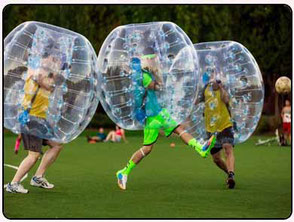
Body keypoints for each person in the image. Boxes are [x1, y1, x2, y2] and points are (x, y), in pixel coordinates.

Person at [116, 51, 216, 190]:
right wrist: (157, 73)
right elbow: (157, 87)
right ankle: (124, 172)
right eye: (152, 60)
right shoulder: (143, 76)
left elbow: (160, 87)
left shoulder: (148, 74)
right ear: (146, 62)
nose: (155, 62)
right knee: (147, 148)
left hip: (160, 113)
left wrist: (157, 73)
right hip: (151, 117)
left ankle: (201, 148)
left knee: (179, 129)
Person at [6, 54, 64, 194]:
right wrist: (53, 71)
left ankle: (38, 177)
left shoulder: (47, 75)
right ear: (44, 59)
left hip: (40, 119)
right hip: (31, 119)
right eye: (53, 59)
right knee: (33, 155)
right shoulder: (34, 71)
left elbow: (50, 87)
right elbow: (41, 81)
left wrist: (54, 73)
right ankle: (13, 184)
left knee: (57, 145)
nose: (55, 62)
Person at [199, 72, 236, 189]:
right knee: (216, 159)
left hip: (225, 124)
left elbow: (226, 99)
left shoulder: (223, 89)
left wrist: (220, 87)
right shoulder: (205, 89)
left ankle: (231, 174)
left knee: (227, 148)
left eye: (216, 79)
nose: (214, 81)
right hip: (211, 128)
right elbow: (195, 102)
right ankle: (229, 174)